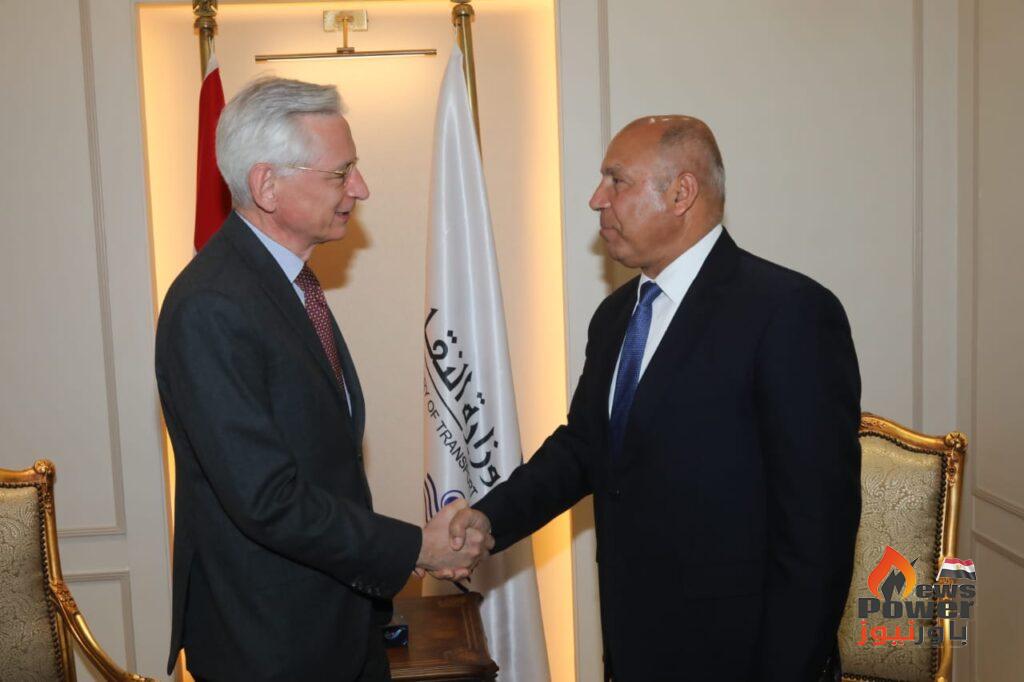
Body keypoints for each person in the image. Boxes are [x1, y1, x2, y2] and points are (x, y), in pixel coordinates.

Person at [449, 115, 862, 681]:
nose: (597, 199)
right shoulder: (616, 315)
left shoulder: (789, 312)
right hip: (634, 642)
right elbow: (585, 448)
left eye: (617, 181)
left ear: (681, 193)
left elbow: (817, 528)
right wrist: (488, 518)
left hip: (741, 655)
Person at [155, 76, 490, 682]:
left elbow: (323, 464)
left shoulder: (286, 283)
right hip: (269, 643)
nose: (360, 188)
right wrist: (415, 547)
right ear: (267, 185)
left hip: (339, 623)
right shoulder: (212, 304)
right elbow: (267, 498)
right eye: (341, 173)